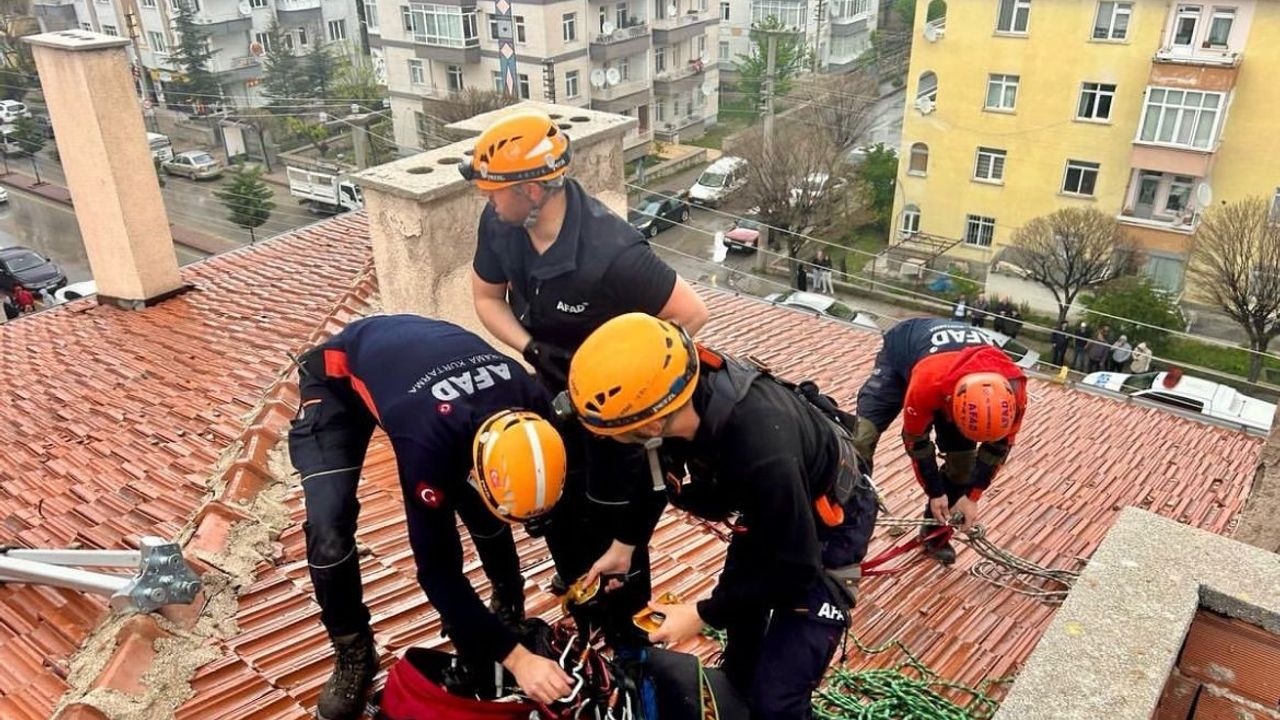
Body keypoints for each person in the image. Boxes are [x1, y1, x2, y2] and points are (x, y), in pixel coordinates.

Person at [462, 108, 710, 647]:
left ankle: (626, 624)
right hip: (553, 389)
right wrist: (531, 347)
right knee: (558, 502)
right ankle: (579, 585)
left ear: (531, 190)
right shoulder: (502, 224)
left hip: (614, 412)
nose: (487, 201)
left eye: (494, 192)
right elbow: (486, 298)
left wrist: (622, 376)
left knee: (615, 511)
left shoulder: (612, 253)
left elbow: (690, 315)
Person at [567, 313, 879, 720]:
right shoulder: (677, 395)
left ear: (654, 423)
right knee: (741, 642)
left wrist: (700, 615)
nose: (610, 441)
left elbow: (797, 569)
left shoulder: (760, 449)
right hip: (768, 506)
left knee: (776, 702)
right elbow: (658, 475)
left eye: (616, 434)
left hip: (830, 527)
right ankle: (741, 689)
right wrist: (624, 546)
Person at [288, 315, 573, 720]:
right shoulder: (425, 443)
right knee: (329, 527)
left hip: (423, 372)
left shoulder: (538, 405)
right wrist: (517, 659)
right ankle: (353, 649)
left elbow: (568, 507)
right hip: (338, 377)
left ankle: (508, 606)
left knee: (480, 500)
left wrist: (584, 581)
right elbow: (437, 570)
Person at [851, 317, 1027, 564]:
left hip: (951, 370)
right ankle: (845, 524)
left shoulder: (1016, 390)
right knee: (861, 441)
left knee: (962, 465)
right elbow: (916, 443)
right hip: (904, 351)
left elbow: (998, 449)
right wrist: (935, 492)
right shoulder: (927, 384)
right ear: (953, 407)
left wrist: (972, 496)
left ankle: (933, 533)